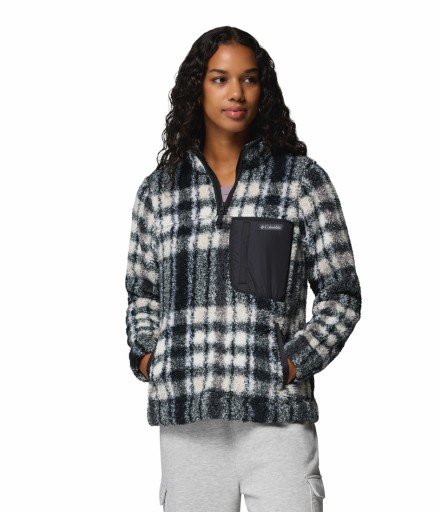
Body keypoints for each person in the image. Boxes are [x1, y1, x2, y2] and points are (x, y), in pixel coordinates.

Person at [125, 26, 362, 512]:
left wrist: (291, 363)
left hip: (277, 420)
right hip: (188, 424)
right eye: (220, 79)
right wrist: (149, 355)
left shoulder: (300, 182)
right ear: (197, 88)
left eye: (249, 79)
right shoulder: (159, 192)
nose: (236, 92)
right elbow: (142, 293)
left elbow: (341, 294)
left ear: (263, 89)